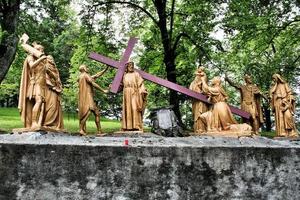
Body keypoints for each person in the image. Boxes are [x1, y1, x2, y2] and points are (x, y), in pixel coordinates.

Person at [18, 34, 47, 129]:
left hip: (42, 84)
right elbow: (32, 66)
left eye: (43, 50)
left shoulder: (42, 62)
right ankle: (33, 122)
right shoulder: (30, 58)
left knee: (40, 103)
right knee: (38, 101)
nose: (42, 52)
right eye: (40, 50)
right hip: (35, 84)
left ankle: (37, 122)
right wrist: (41, 58)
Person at [78, 64, 109, 136]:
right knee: (88, 112)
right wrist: (103, 90)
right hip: (88, 97)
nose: (87, 68)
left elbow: (97, 75)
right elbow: (93, 83)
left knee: (96, 113)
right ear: (84, 69)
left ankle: (99, 131)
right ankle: (81, 129)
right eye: (86, 67)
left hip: (84, 98)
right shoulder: (85, 75)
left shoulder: (81, 77)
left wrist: (105, 69)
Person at [121, 61, 148, 131]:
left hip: (134, 93)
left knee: (134, 108)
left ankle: (137, 126)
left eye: (132, 65)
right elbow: (121, 85)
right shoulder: (124, 75)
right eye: (130, 65)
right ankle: (127, 127)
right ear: (127, 67)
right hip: (126, 93)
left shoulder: (136, 74)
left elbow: (141, 83)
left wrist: (143, 90)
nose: (131, 66)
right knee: (127, 109)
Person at [43, 55, 64, 129]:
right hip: (50, 89)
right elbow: (45, 78)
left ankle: (55, 124)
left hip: (56, 89)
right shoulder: (46, 66)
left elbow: (58, 79)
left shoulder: (55, 68)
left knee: (56, 106)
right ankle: (47, 123)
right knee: (51, 106)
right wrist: (53, 87)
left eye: (52, 58)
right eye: (49, 59)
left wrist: (59, 87)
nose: (51, 60)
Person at [189, 66, 208, 134]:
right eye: (200, 69)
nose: (201, 70)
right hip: (195, 100)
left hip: (201, 99)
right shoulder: (196, 78)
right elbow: (192, 86)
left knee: (200, 113)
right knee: (196, 113)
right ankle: (196, 129)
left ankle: (202, 129)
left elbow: (204, 87)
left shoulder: (203, 76)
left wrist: (199, 86)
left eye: (202, 69)